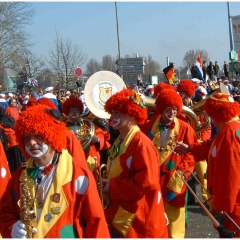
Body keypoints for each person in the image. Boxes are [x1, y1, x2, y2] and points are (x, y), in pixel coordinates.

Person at [0, 104, 110, 238]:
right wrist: (11, 228)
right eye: (26, 137)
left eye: (38, 135)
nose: (32, 142)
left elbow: (96, 223)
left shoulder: (79, 174)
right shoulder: (19, 175)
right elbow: (5, 213)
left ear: (51, 134)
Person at [102, 88, 168, 238]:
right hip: (124, 215)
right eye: (112, 112)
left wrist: (112, 186)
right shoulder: (120, 140)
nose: (113, 116)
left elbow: (146, 183)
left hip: (140, 220)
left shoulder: (141, 144)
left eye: (118, 113)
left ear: (132, 113)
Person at [174, 92, 240, 237]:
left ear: (217, 113)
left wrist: (221, 204)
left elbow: (231, 174)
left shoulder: (229, 132)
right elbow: (212, 145)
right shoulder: (230, 128)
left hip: (235, 206)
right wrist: (190, 148)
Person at [141, 88, 198, 238]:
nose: (172, 112)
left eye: (174, 109)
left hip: (175, 181)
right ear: (161, 109)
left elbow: (192, 154)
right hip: (153, 182)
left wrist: (181, 172)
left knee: (174, 224)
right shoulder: (148, 127)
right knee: (153, 221)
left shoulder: (185, 128)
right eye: (168, 108)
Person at [62, 97, 110, 172]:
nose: (74, 112)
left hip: (90, 157)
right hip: (71, 158)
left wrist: (97, 139)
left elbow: (103, 135)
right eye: (71, 110)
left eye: (76, 110)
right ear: (67, 112)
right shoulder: (62, 126)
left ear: (80, 111)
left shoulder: (88, 123)